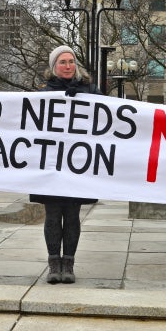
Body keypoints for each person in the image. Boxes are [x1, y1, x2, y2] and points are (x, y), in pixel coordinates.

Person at [29, 45, 99, 284]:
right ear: (53, 67)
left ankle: (68, 263)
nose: (68, 66)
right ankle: (53, 264)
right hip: (51, 164)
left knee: (72, 215)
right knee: (52, 214)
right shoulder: (42, 94)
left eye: (71, 61)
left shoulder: (91, 91)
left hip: (78, 163)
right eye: (62, 62)